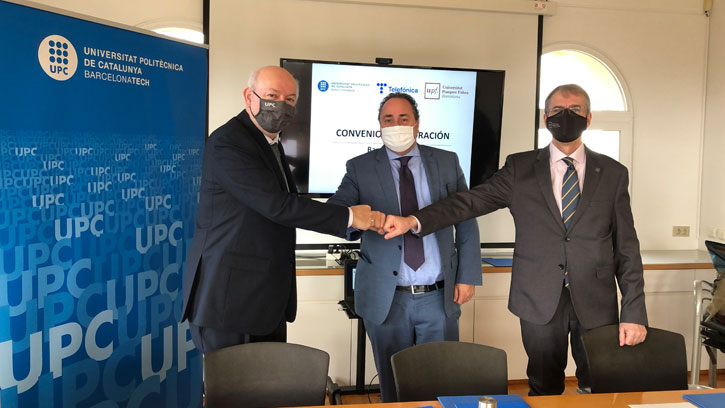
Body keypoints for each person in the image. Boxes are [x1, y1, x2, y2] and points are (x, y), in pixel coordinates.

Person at [383, 84, 648, 396]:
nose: (565, 116)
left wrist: (634, 312)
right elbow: (469, 203)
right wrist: (414, 221)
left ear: (588, 118)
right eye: (557, 110)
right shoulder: (519, 168)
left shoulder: (613, 173)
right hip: (538, 299)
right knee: (544, 387)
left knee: (599, 387)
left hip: (597, 301)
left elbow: (627, 248)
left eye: (574, 110)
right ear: (545, 118)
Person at [181, 66, 384, 354]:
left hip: (264, 302)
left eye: (289, 100)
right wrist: (350, 216)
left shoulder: (271, 144)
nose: (281, 106)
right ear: (249, 97)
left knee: (270, 381)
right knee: (238, 384)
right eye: (272, 96)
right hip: (229, 304)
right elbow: (277, 205)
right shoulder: (229, 142)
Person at [327, 93, 481, 402]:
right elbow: (336, 215)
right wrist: (361, 220)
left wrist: (467, 276)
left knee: (442, 383)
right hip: (386, 298)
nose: (395, 125)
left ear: (417, 124)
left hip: (439, 295)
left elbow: (465, 219)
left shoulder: (447, 162)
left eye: (403, 118)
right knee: (393, 385)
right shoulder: (359, 167)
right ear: (379, 126)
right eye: (388, 120)